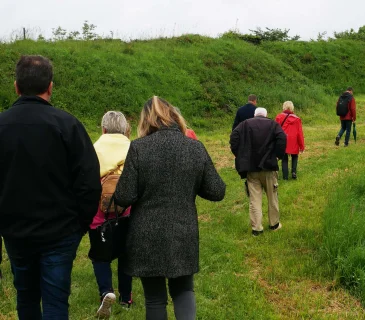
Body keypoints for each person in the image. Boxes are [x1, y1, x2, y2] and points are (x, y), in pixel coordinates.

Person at [0, 55, 102, 319]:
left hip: (15, 231)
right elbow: (89, 182)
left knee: (26, 297)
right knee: (56, 302)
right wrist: (80, 224)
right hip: (60, 233)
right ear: (50, 86)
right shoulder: (67, 125)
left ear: (16, 86)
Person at [114, 96, 226, 320]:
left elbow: (124, 196)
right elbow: (217, 191)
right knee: (184, 290)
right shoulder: (194, 147)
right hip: (182, 232)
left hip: (147, 234)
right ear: (174, 117)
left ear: (146, 120)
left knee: (154, 298)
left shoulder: (138, 148)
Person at [89, 111, 134, 318]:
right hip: (127, 209)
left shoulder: (93, 149)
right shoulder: (133, 148)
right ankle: (126, 297)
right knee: (126, 254)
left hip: (100, 211)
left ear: (103, 129)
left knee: (100, 255)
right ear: (125, 129)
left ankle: (106, 292)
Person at [231, 108, 287, 236]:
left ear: (254, 115)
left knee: (254, 199)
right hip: (269, 167)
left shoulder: (244, 124)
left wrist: (239, 155)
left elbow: (233, 138)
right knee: (272, 197)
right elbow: (282, 138)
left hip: (251, 168)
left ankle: (257, 229)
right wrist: (278, 155)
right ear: (266, 115)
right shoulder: (273, 124)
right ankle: (274, 224)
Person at [275, 101, 305, 180]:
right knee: (294, 156)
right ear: (292, 108)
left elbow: (275, 130)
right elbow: (299, 133)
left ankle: (285, 176)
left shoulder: (279, 117)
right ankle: (293, 172)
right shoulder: (297, 119)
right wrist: (302, 145)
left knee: (284, 158)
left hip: (283, 140)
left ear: (283, 107)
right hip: (294, 140)